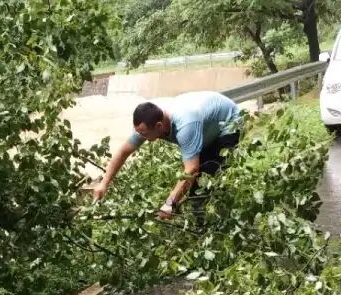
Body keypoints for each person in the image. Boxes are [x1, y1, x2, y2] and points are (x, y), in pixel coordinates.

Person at [93, 90, 242, 220]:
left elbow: (191, 170)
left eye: (144, 134)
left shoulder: (185, 125)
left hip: (228, 122)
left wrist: (169, 203)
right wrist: (104, 184)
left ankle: (213, 225)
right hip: (205, 125)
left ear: (159, 126)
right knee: (197, 182)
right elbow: (123, 152)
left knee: (206, 183)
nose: (141, 137)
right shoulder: (148, 122)